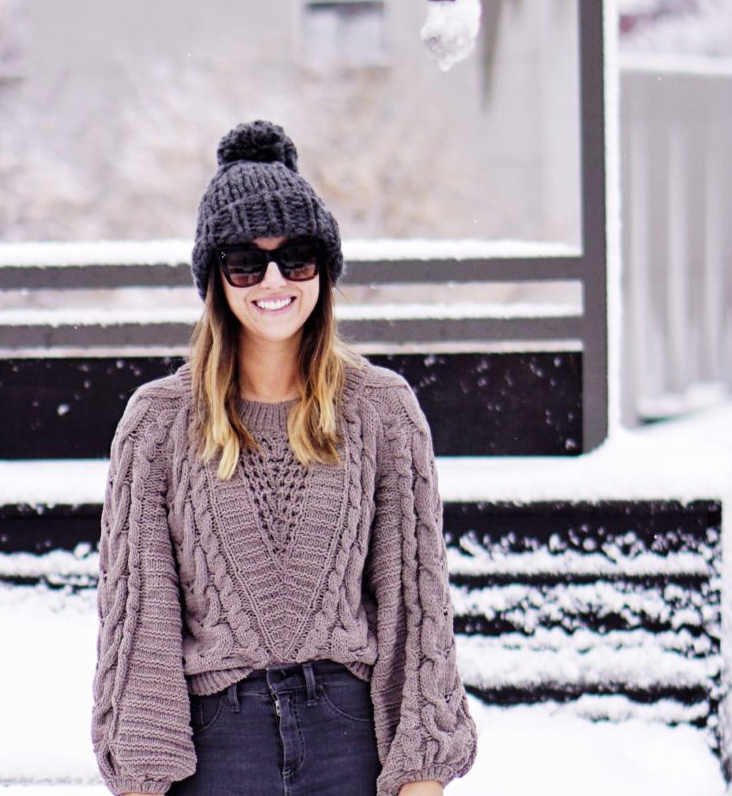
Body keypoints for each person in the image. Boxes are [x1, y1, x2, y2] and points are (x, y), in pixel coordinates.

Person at [90, 119, 477, 796]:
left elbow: (416, 606)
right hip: (217, 743)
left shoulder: (382, 410)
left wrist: (422, 774)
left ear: (324, 271)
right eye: (246, 261)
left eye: (296, 258)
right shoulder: (158, 422)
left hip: (348, 736)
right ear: (216, 279)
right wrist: (141, 778)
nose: (273, 279)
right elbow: (142, 615)